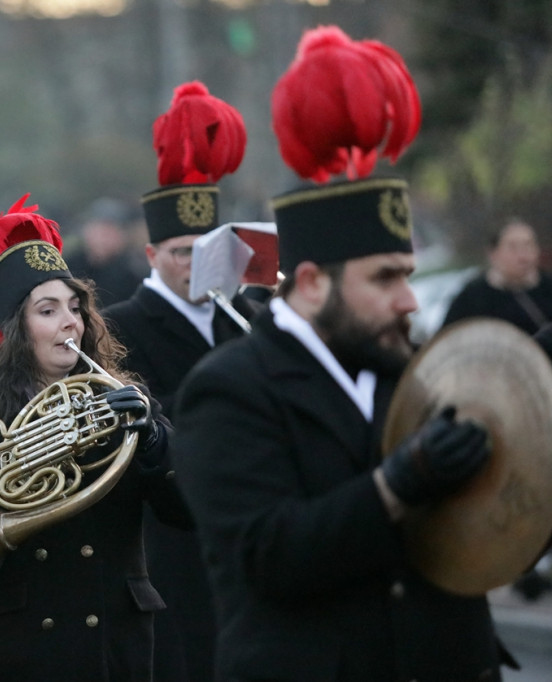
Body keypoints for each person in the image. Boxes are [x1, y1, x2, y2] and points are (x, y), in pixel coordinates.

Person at [171, 26, 513, 681]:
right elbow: (267, 557)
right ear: (310, 283)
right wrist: (396, 485)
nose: (408, 301)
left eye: (408, 276)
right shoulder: (229, 387)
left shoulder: (414, 370)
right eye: (385, 278)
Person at [0, 195, 192, 682]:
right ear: (15, 330)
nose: (70, 321)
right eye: (47, 311)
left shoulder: (124, 401)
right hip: (17, 648)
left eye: (75, 307)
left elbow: (189, 509)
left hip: (113, 643)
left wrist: (154, 440)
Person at [101, 80, 254, 682]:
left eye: (204, 250)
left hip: (241, 526)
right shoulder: (119, 325)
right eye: (179, 253)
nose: (193, 266)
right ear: (150, 257)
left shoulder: (247, 318)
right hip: (167, 538)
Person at [442, 218, 552, 335]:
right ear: (493, 253)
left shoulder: (548, 286)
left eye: (528, 245)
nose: (523, 256)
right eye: (512, 247)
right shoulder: (472, 298)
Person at [63, 198, 145, 308]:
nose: (103, 239)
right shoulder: (67, 266)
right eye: (99, 231)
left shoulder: (134, 274)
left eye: (110, 232)